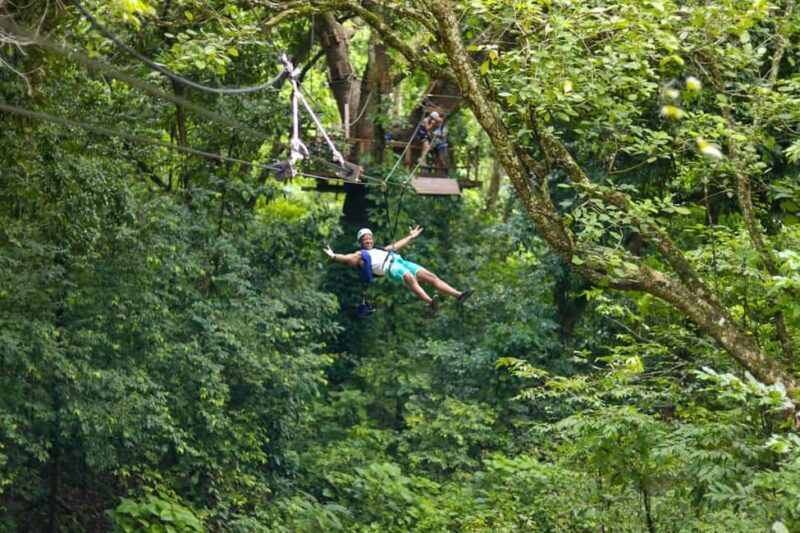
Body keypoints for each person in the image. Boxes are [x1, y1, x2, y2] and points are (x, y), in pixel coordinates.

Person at [324, 226, 474, 312]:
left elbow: (397, 246)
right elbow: (348, 258)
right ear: (361, 242)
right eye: (365, 239)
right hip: (389, 267)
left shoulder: (380, 249)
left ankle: (459, 295)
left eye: (370, 238)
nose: (368, 240)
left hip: (400, 261)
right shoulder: (360, 255)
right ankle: (430, 302)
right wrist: (333, 256)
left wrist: (411, 237)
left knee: (430, 276)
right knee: (409, 277)